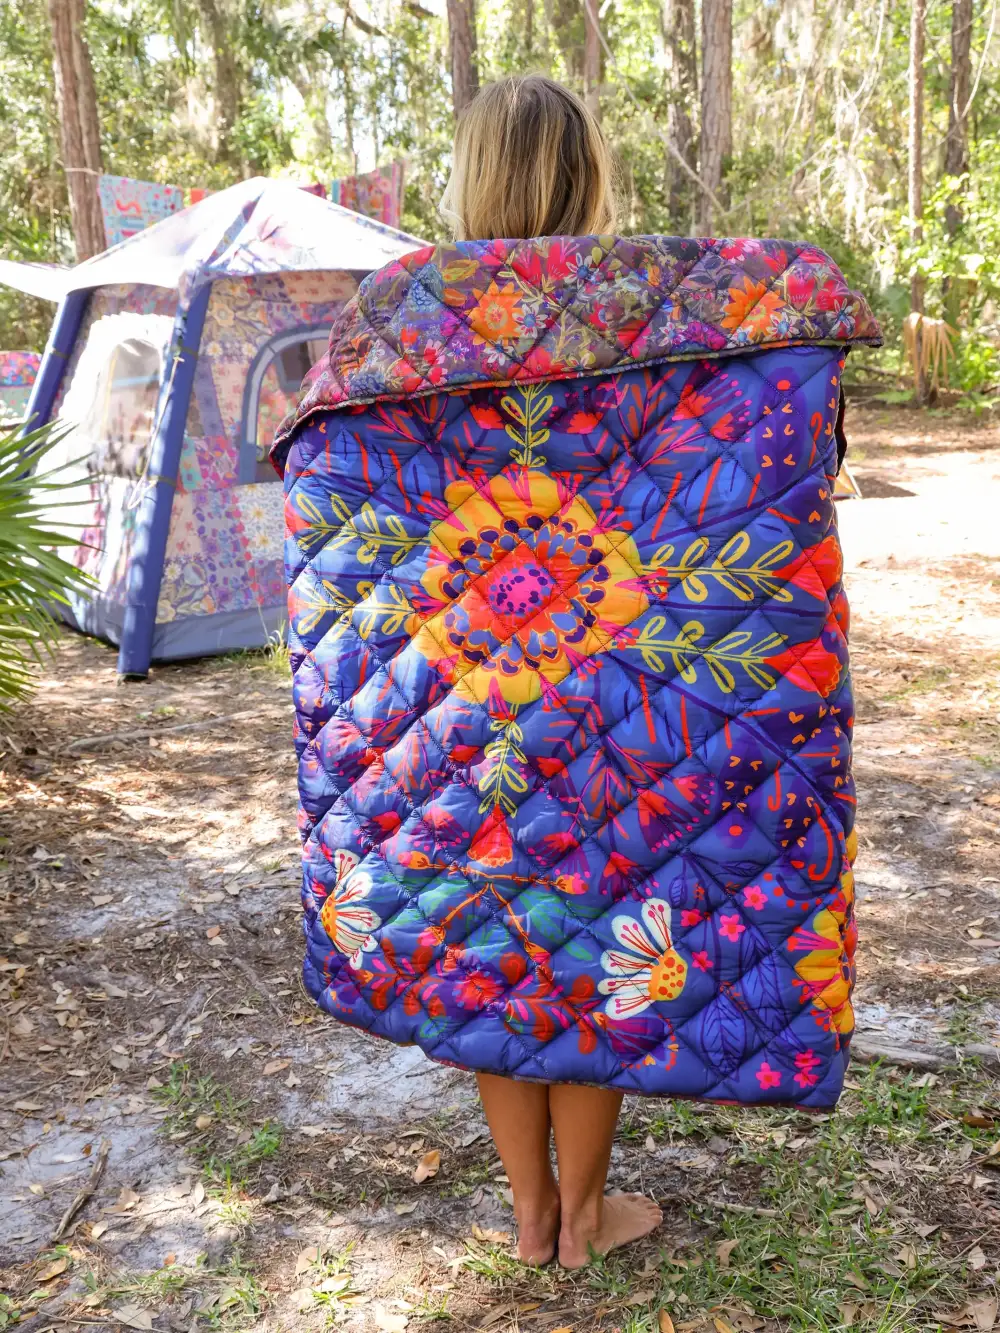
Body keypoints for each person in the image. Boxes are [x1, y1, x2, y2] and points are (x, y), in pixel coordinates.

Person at [271, 75, 880, 1270]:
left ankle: (530, 1212)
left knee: (492, 940)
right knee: (601, 927)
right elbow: (776, 373)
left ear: (469, 177)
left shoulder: (398, 316)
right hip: (626, 695)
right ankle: (587, 1214)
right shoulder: (667, 307)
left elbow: (328, 477)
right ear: (589, 177)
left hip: (464, 691)